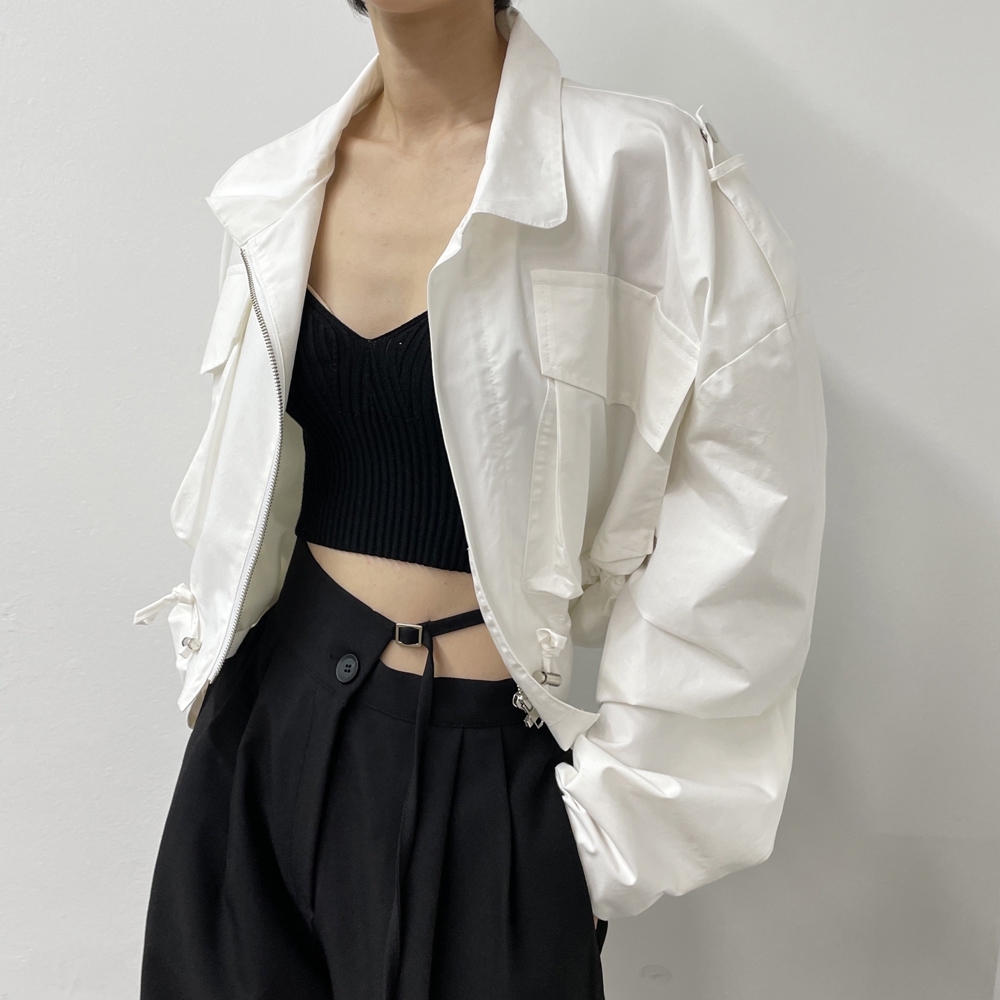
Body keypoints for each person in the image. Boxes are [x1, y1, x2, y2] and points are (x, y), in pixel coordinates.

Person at [134, 2, 827, 998]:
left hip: (479, 770)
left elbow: (748, 509)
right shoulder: (279, 189)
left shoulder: (645, 174)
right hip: (260, 740)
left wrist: (607, 834)